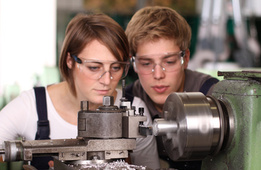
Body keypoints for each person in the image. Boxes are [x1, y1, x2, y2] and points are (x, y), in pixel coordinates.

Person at [0, 13, 160, 169]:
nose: (106, 80)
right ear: (70, 61)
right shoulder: (32, 107)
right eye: (94, 67)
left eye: (116, 68)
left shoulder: (134, 111)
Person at [125, 6, 219, 169]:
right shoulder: (127, 102)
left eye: (169, 62)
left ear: (186, 58)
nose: (158, 75)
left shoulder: (213, 96)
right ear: (133, 63)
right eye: (146, 64)